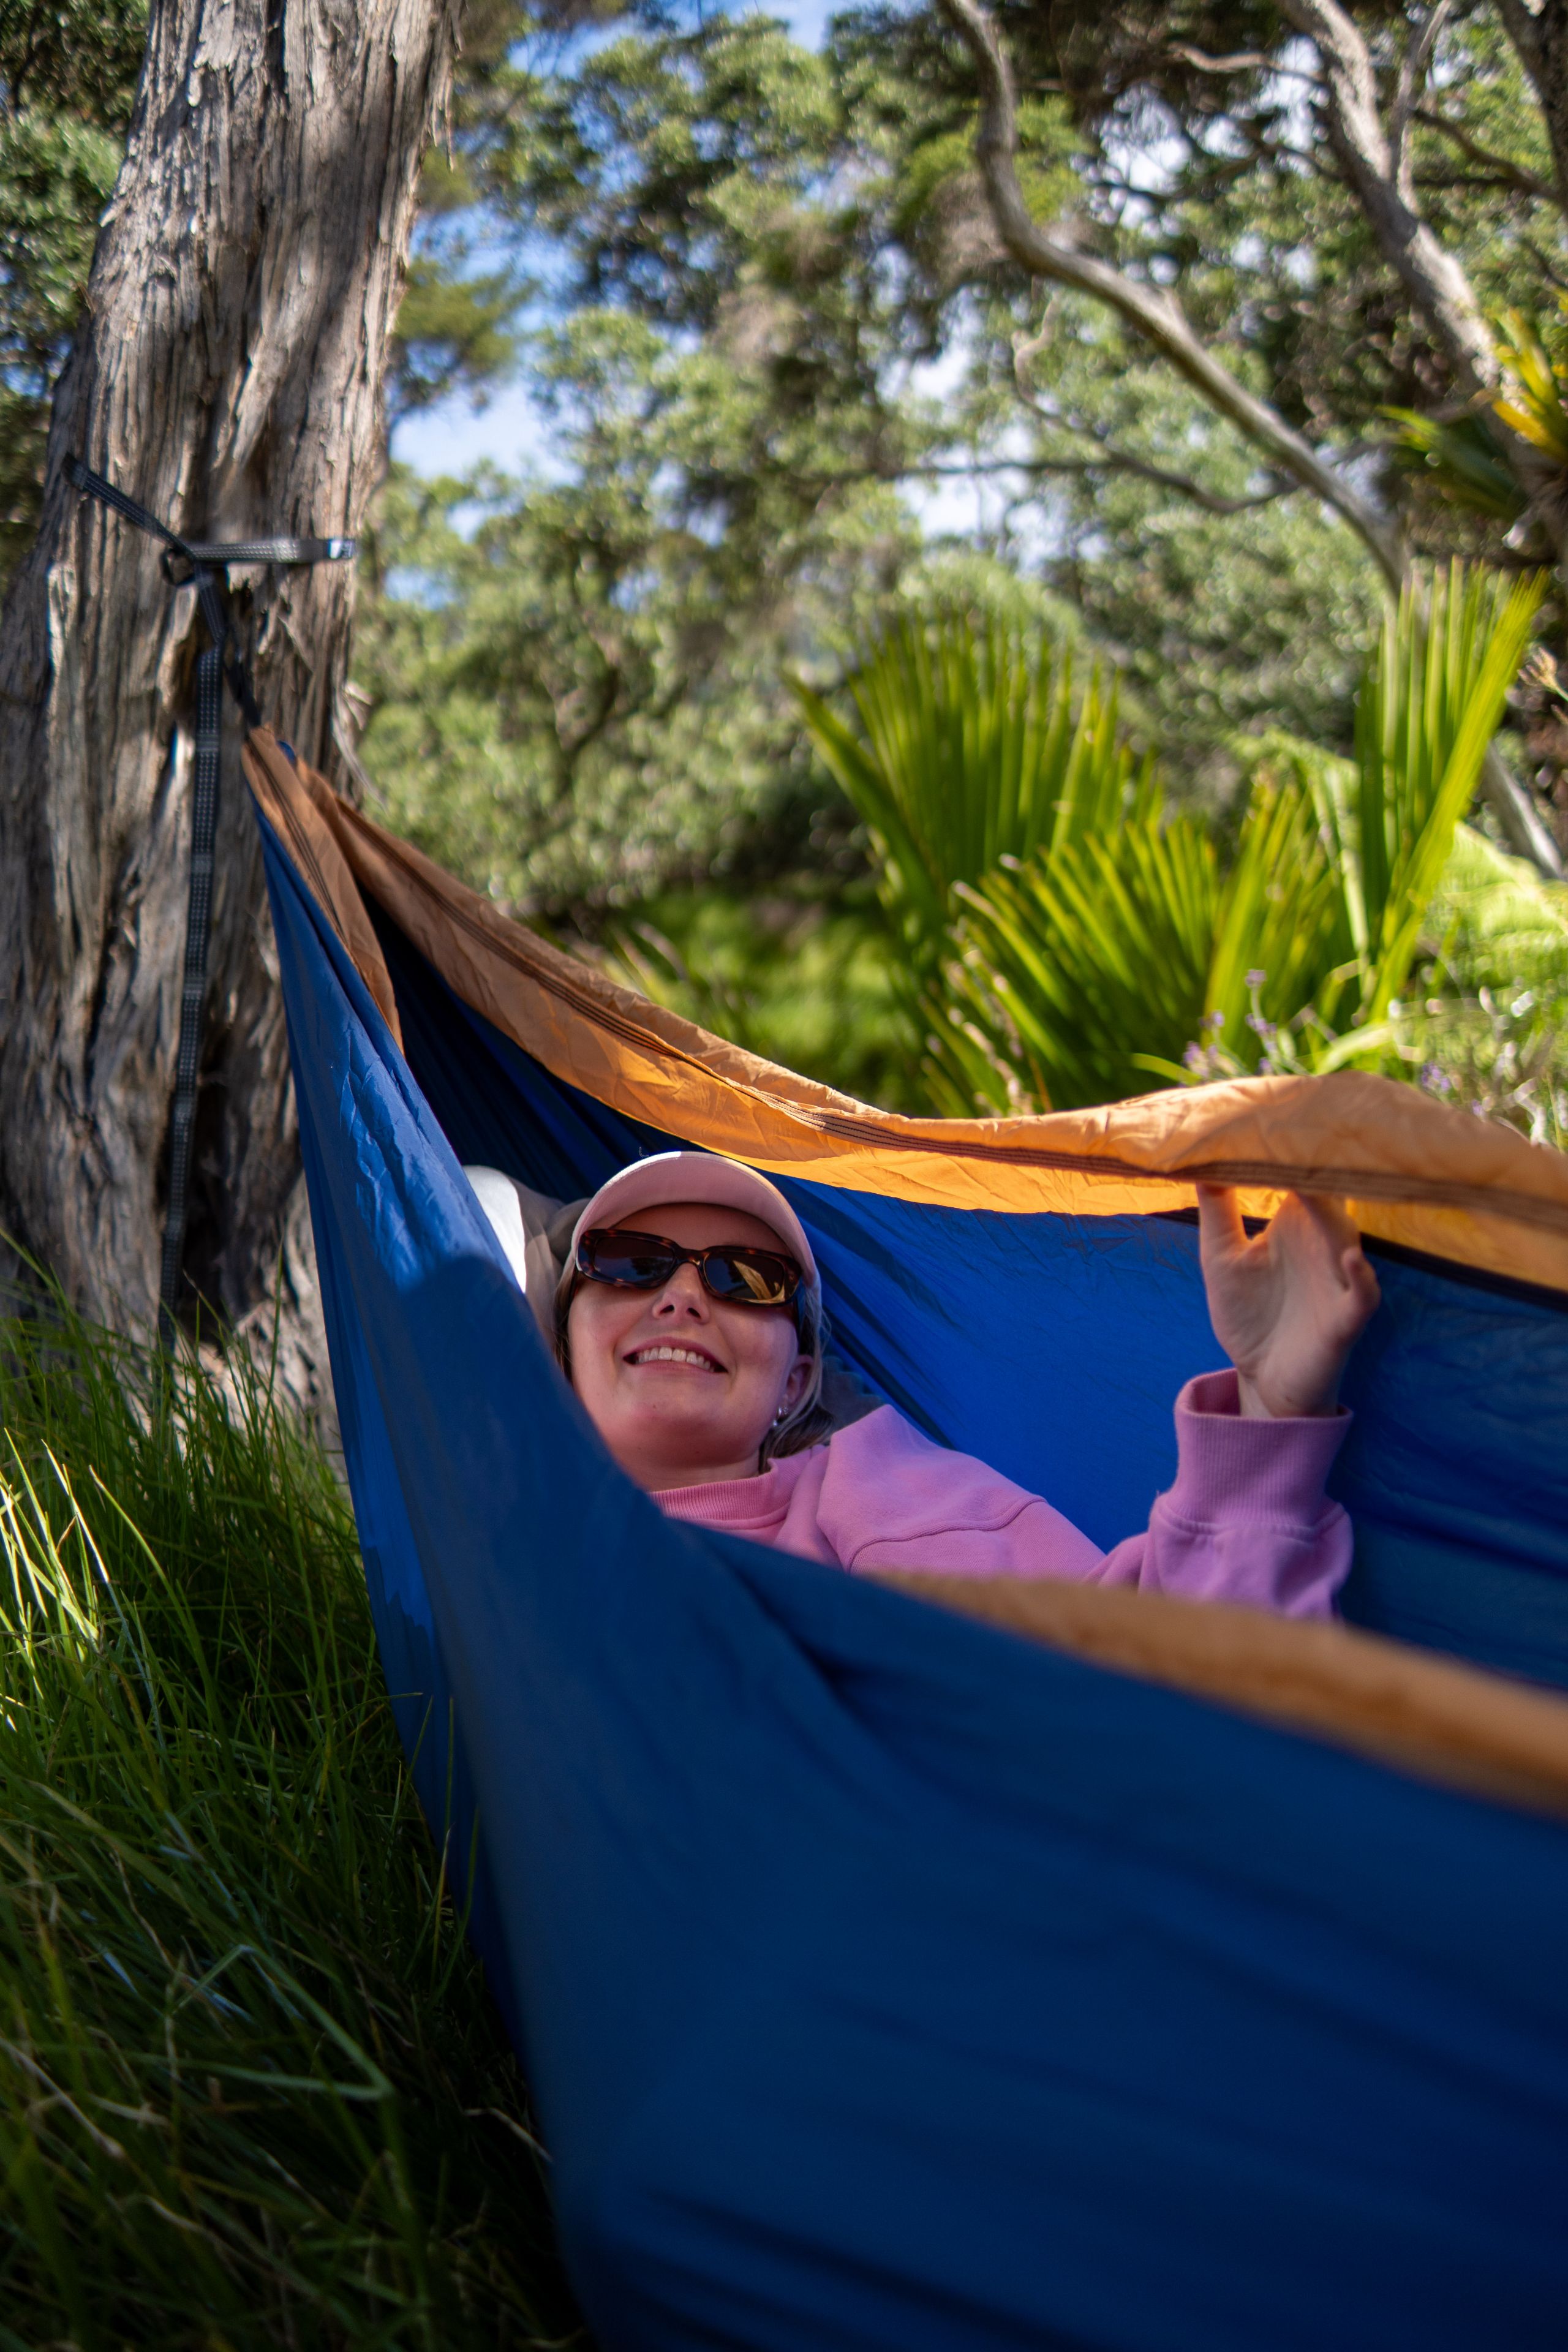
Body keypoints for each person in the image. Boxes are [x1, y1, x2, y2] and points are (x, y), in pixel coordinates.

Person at [552, 1152, 1381, 1620]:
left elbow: (1138, 1676)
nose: (681, 1295)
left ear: (796, 1383)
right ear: (559, 1341)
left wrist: (1269, 1409)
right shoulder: (474, 1506)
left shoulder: (870, 1493)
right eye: (630, 1263)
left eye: (744, 1278)